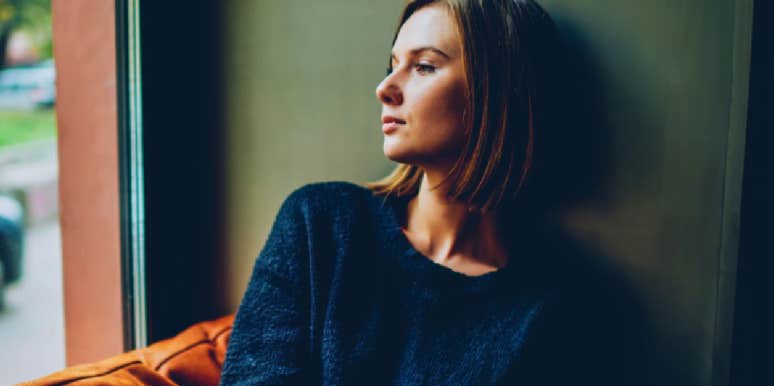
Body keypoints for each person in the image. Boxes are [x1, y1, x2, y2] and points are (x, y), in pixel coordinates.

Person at [221, 0, 644, 385]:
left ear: (497, 91)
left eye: (423, 66)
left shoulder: (558, 309)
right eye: (392, 64)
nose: (385, 87)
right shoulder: (321, 225)